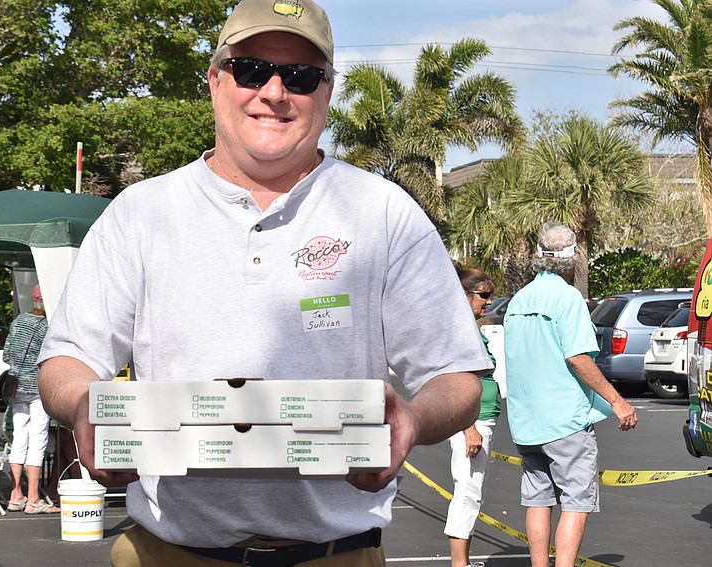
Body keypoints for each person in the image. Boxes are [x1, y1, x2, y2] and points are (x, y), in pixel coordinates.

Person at [38, 0, 492, 565]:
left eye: (300, 77)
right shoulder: (141, 213)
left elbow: (456, 376)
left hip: (337, 555)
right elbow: (67, 359)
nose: (274, 92)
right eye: (251, 68)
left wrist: (415, 420)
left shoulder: (383, 212)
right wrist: (85, 404)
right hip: (167, 553)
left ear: (326, 93)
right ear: (215, 81)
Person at [503, 222, 638, 567]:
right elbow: (578, 357)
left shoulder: (519, 300)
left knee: (538, 498)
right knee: (576, 501)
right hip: (564, 420)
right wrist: (617, 401)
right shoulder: (568, 299)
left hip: (526, 421)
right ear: (571, 258)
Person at [445, 267, 502, 567]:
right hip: (473, 421)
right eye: (484, 295)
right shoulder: (460, 330)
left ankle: (462, 562)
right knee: (467, 493)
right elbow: (455, 379)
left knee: (472, 492)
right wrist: (469, 428)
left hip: (481, 420)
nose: (489, 302)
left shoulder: (471, 328)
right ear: (465, 296)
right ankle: (459, 564)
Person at [3, 284, 59, 514]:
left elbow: (6, 354)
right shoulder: (48, 326)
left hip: (16, 387)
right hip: (37, 387)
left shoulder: (18, 322)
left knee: (19, 437)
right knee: (38, 439)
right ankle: (34, 498)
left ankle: (15, 494)